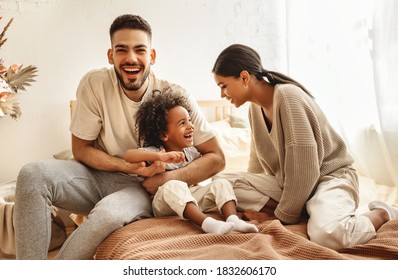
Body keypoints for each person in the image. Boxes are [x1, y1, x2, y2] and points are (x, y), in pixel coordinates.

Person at [13, 14, 225, 260]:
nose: (131, 59)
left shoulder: (176, 96)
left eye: (140, 50)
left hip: (139, 189)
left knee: (108, 216)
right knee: (31, 175)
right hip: (94, 176)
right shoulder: (94, 84)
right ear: (110, 55)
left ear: (152, 56)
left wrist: (168, 178)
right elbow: (81, 149)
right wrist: (125, 165)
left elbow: (217, 158)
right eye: (122, 50)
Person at [211, 43, 398, 250]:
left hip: (328, 178)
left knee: (328, 235)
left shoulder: (288, 96)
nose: (222, 95)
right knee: (222, 183)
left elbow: (305, 172)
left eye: (223, 86)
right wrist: (252, 188)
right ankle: (303, 208)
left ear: (244, 78)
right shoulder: (254, 111)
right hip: (291, 183)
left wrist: (280, 216)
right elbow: (256, 164)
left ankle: (382, 212)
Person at [124, 89, 258, 234]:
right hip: (165, 204)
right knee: (173, 185)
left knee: (221, 183)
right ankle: (207, 223)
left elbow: (212, 162)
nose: (191, 126)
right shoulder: (157, 152)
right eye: (182, 123)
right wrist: (159, 158)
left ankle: (233, 219)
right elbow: (129, 155)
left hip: (190, 197)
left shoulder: (192, 152)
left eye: (190, 120)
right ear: (164, 135)